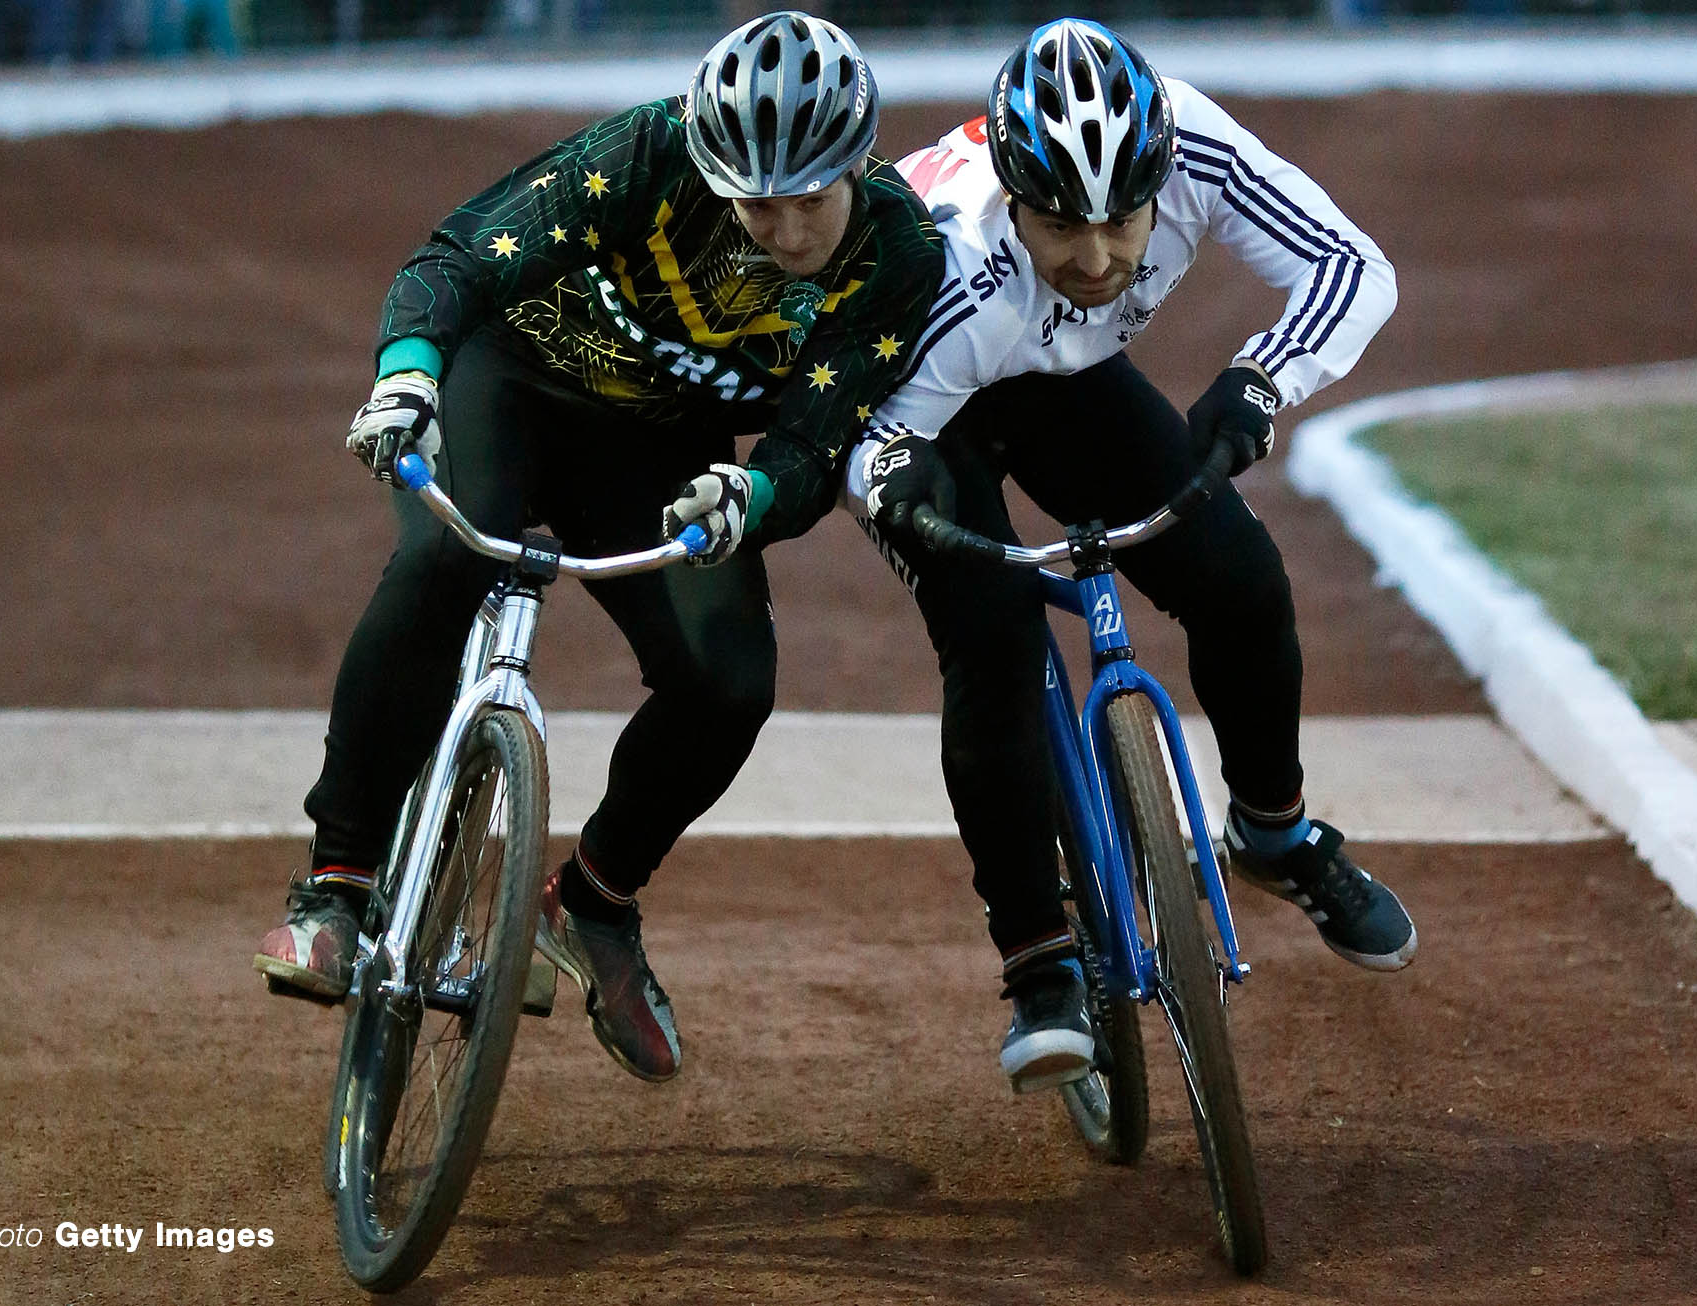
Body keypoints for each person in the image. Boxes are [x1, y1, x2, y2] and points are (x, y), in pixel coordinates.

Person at [255, 11, 944, 1085]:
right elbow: (459, 258)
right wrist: (407, 374)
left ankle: (594, 903)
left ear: (857, 161)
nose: (785, 228)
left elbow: (819, 439)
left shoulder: (899, 254)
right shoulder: (648, 152)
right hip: (515, 382)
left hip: (660, 451)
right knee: (442, 562)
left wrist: (753, 493)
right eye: (755, 201)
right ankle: (336, 881)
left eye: (809, 197)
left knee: (729, 682)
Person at [848, 18, 1414, 1093]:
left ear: (1160, 176)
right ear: (1013, 197)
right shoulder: (947, 261)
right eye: (1062, 227)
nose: (1100, 258)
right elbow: (860, 431)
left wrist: (1262, 378)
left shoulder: (1194, 146)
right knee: (995, 638)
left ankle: (1275, 832)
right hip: (922, 403)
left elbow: (1351, 264)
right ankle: (1037, 964)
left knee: (1240, 579)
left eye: (1124, 224)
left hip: (1063, 377)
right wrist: (893, 487)